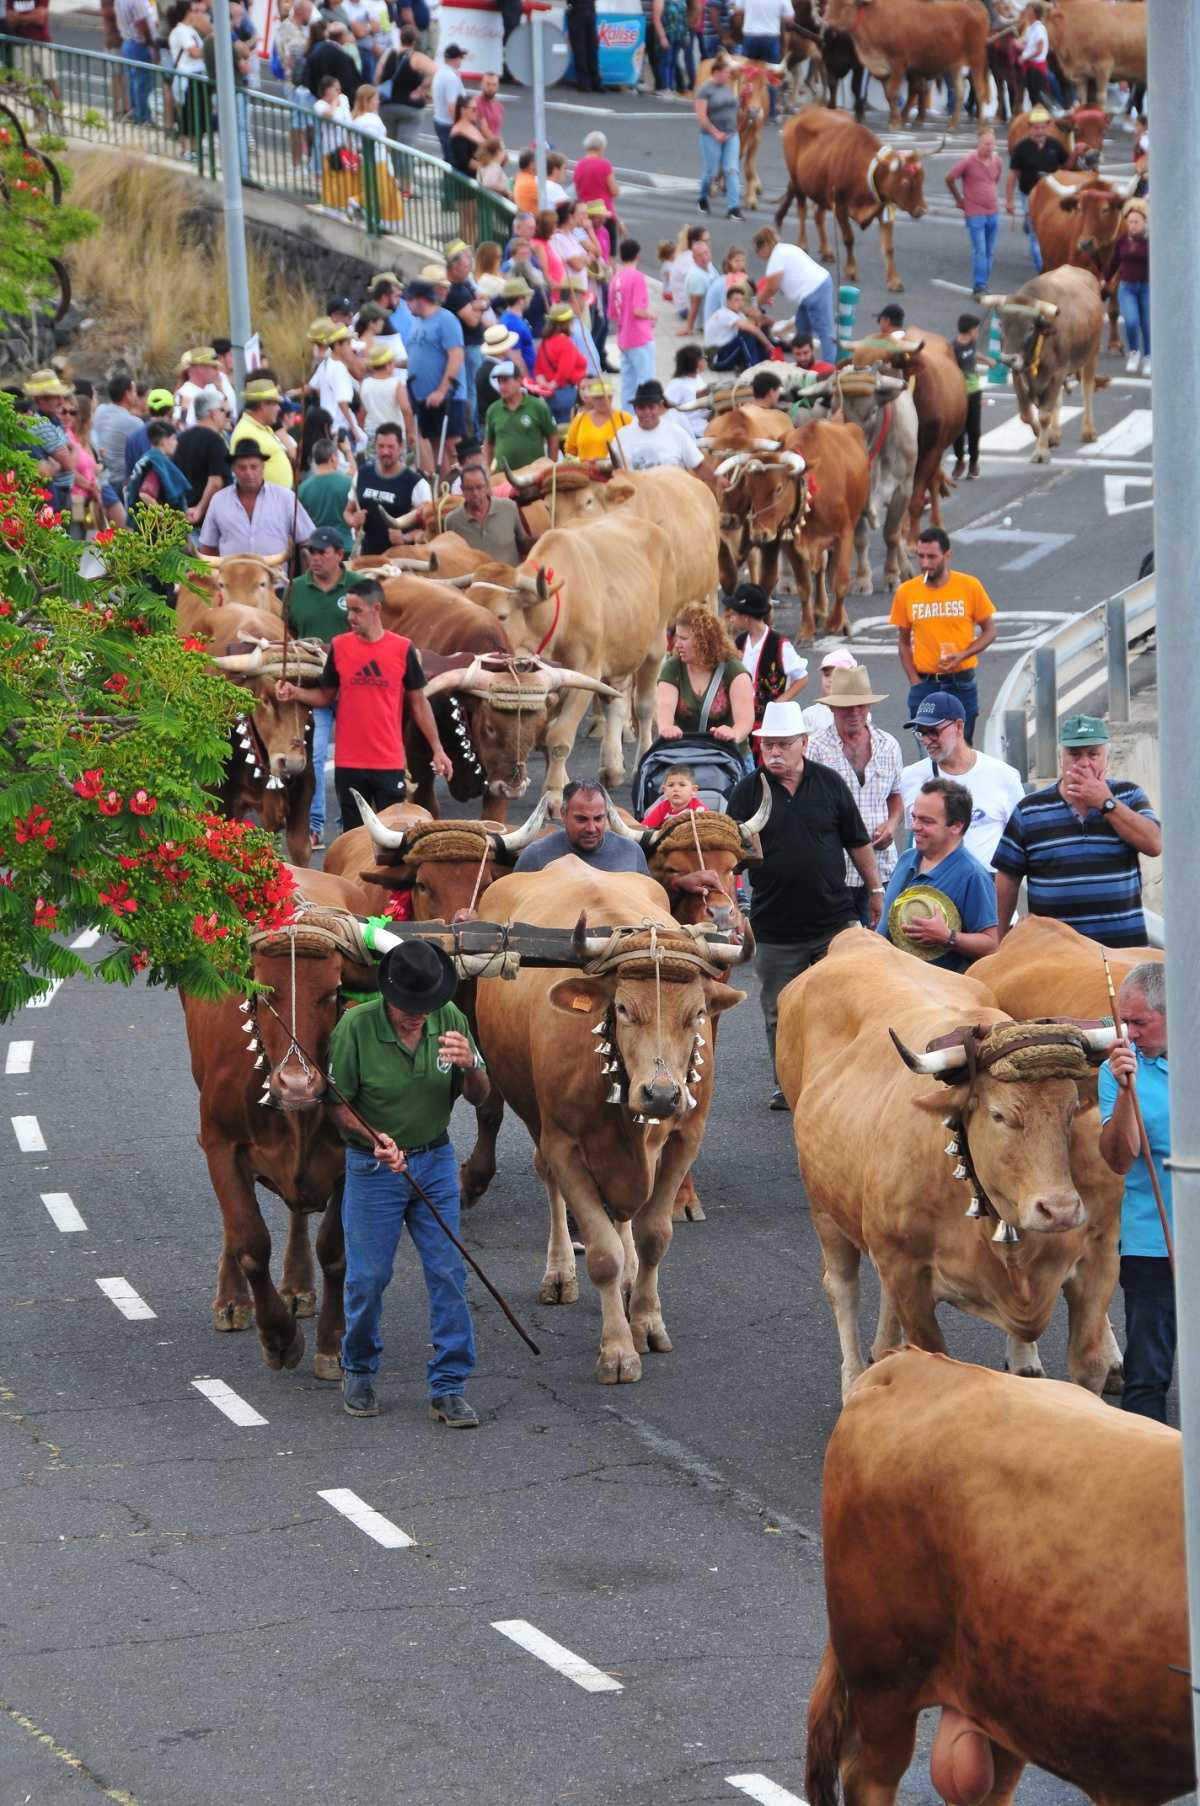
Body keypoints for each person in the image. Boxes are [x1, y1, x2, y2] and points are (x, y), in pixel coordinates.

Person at [328, 939, 488, 1425]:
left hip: (436, 1160)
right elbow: (336, 1107)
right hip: (373, 1169)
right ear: (387, 994)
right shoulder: (355, 1028)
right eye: (408, 1007)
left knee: (448, 1273)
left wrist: (473, 1065)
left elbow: (480, 1096)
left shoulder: (451, 1021)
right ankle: (357, 1367)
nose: (417, 1015)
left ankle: (449, 1385)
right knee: (368, 1278)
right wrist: (373, 1136)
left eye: (427, 1005)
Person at [727, 699, 881, 1109]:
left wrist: (877, 889)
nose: (774, 753)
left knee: (845, 1004)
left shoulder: (829, 783)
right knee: (780, 1010)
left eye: (783, 744)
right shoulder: (746, 792)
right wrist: (732, 901)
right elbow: (729, 858)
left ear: (804, 743)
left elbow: (857, 841)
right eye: (768, 746)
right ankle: (788, 1083)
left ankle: (846, 1077)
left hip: (834, 920)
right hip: (776, 926)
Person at [276, 575, 452, 831]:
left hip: (389, 762)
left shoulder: (402, 648)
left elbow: (419, 703)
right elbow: (326, 696)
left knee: (394, 838)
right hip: (349, 764)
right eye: (348, 610)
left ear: (376, 609)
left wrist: (438, 749)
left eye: (357, 610)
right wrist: (294, 692)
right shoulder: (339, 646)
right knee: (354, 837)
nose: (351, 617)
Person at [993, 714, 1162, 945]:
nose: (1084, 763)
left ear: (1106, 758)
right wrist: (1000, 938)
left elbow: (1154, 843)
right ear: (1061, 759)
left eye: (1093, 754)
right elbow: (1008, 877)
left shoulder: (1129, 795)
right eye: (1074, 754)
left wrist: (1106, 803)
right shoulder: (1029, 810)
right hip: (1056, 955)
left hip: (1121, 952)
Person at [1098, 961, 1175, 1424]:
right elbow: (1119, 1158)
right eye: (1122, 1022)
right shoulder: (1116, 1069)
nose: (1128, 1032)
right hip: (1152, 1244)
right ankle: (1144, 1484)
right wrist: (1127, 1090)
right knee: (1147, 1377)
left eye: (1139, 1022)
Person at [807, 664, 903, 924]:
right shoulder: (815, 748)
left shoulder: (889, 745)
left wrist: (892, 825)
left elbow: (896, 796)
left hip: (883, 864)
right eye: (847, 706)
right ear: (832, 708)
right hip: (836, 870)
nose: (855, 712)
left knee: (882, 943)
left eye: (861, 705)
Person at [889, 526, 997, 744]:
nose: (925, 563)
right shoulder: (907, 592)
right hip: (925, 684)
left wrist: (962, 655)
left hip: (961, 682)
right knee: (928, 753)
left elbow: (990, 631)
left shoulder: (969, 586)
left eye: (932, 557)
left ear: (947, 555)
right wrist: (914, 681)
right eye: (920, 556)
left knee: (962, 751)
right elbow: (903, 643)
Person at [877, 778, 1000, 969]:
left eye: (927, 821)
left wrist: (947, 937)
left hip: (937, 993)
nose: (915, 826)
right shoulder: (906, 859)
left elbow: (991, 945)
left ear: (956, 826)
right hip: (890, 981)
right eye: (914, 817)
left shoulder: (973, 875)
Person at [898, 694, 1025, 869]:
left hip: (985, 887)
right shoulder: (910, 777)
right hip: (931, 887)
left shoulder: (1004, 776)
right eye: (921, 733)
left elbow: (1021, 839)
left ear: (958, 726)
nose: (927, 741)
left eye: (933, 732)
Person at [285, 526, 353, 847]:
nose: (314, 558)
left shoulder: (356, 587)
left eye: (322, 552)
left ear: (340, 555)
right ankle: (314, 824)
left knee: (352, 758)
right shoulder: (295, 588)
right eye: (311, 552)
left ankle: (350, 825)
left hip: (352, 688)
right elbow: (286, 631)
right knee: (313, 755)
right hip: (313, 686)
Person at [656, 603, 755, 758]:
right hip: (685, 754)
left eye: (684, 638)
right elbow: (665, 706)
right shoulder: (672, 667)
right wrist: (667, 727)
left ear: (703, 640)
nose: (677, 644)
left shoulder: (733, 670)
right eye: (677, 637)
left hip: (728, 755)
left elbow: (745, 720)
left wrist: (734, 733)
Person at [197, 440, 316, 558]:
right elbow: (207, 547)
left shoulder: (286, 498)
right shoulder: (219, 501)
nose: (248, 473)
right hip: (232, 575)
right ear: (233, 469)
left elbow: (308, 540)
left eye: (254, 467)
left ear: (263, 467)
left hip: (274, 575)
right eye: (242, 468)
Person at [723, 583, 807, 736]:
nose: (731, 619)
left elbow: (802, 678)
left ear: (746, 617)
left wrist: (779, 702)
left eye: (734, 614)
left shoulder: (779, 644)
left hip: (769, 725)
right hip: (741, 721)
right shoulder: (740, 642)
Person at [514, 781, 650, 873]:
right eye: (581, 819)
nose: (591, 828)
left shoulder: (631, 852)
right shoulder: (535, 856)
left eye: (598, 818)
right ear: (563, 814)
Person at [404, 277, 466, 477]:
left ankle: (465, 483)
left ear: (420, 299)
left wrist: (442, 389)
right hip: (422, 397)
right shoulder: (415, 323)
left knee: (454, 446)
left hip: (448, 396)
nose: (406, 304)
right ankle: (447, 492)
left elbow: (456, 355)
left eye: (409, 300)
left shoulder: (445, 319)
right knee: (435, 445)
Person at [345, 421, 432, 556]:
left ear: (401, 447)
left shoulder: (417, 483)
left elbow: (429, 529)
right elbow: (347, 512)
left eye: (391, 447)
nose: (385, 451)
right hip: (367, 557)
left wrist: (405, 538)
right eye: (381, 446)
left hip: (402, 562)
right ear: (375, 447)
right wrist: (353, 521)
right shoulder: (362, 474)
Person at [753, 226, 835, 366]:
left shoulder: (776, 257)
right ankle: (805, 362)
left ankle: (830, 367)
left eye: (758, 251)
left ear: (765, 246)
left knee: (824, 331)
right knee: (802, 326)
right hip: (812, 289)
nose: (758, 255)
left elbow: (771, 287)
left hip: (813, 290)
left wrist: (755, 303)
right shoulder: (784, 249)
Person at [1005, 105, 1068, 272]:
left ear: (1048, 127)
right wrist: (1010, 201)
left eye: (1042, 127)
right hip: (1029, 195)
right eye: (1036, 127)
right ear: (1030, 128)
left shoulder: (1056, 146)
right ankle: (1043, 270)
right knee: (1035, 234)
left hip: (1052, 197)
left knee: (1051, 231)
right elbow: (1013, 175)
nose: (1039, 131)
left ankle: (1049, 262)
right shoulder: (1021, 148)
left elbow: (1067, 167)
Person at [615, 380, 716, 484]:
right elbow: (610, 467)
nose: (647, 412)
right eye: (641, 408)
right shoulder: (622, 435)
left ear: (659, 407)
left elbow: (698, 465)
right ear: (635, 409)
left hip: (672, 495)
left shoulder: (677, 432)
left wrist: (717, 480)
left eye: (651, 407)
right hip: (635, 496)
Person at [946, 128, 1002, 301]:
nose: (990, 147)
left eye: (992, 143)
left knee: (990, 250)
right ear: (978, 144)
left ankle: (983, 282)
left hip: (993, 210)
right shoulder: (968, 161)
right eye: (986, 144)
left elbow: (995, 180)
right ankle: (979, 285)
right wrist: (959, 199)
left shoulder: (997, 161)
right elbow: (949, 177)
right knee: (980, 249)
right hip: (975, 212)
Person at [608, 239, 657, 409]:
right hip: (639, 335)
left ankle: (627, 417)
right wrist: (652, 316)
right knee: (646, 380)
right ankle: (648, 413)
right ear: (637, 255)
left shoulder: (616, 278)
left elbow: (613, 313)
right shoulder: (637, 277)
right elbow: (638, 310)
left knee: (628, 383)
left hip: (623, 337)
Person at [21, 369, 77, 517]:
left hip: (61, 491)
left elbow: (67, 457)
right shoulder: (42, 425)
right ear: (40, 400)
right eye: (55, 397)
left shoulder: (53, 421)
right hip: (57, 492)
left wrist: (59, 459)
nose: (61, 401)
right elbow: (69, 464)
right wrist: (70, 451)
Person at [452, 461, 533, 563]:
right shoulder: (452, 522)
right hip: (477, 579)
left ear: (486, 486)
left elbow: (523, 543)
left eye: (479, 487)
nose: (475, 493)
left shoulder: (509, 508)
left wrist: (547, 540)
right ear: (462, 489)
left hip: (510, 576)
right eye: (469, 489)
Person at [172, 387, 232, 524]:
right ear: (212, 413)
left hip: (182, 515)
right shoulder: (215, 441)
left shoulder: (180, 438)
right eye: (224, 411)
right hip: (207, 519)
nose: (227, 416)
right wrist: (200, 509)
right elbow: (216, 482)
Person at [484, 365, 559, 472]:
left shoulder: (538, 406)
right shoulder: (493, 410)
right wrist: (487, 469)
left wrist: (551, 468)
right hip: (503, 477)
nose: (501, 386)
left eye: (505, 381)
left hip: (534, 475)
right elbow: (488, 443)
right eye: (499, 382)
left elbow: (553, 437)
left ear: (519, 380)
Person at [695, 57, 742, 220]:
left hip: (731, 134)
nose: (729, 76)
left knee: (732, 169)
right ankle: (702, 198)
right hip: (710, 136)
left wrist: (745, 96)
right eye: (726, 73)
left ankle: (733, 208)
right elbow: (701, 116)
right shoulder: (705, 90)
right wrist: (715, 133)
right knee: (711, 171)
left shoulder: (728, 88)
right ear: (716, 73)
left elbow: (735, 106)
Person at [231, 377, 295, 489]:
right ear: (263, 405)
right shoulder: (246, 433)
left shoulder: (262, 428)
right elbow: (245, 477)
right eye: (275, 404)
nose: (279, 409)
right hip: (265, 503)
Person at [534, 305, 590, 426]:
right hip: (566, 393)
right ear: (566, 323)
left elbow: (538, 370)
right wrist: (554, 384)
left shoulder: (544, 342)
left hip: (550, 396)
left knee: (555, 429)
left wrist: (546, 385)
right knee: (567, 431)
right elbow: (565, 371)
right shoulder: (565, 342)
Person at [125, 419, 192, 519]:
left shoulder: (147, 458)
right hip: (155, 530)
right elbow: (146, 495)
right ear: (163, 441)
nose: (176, 443)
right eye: (173, 438)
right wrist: (167, 520)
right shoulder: (155, 463)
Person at [705, 277, 775, 372]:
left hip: (726, 352)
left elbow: (757, 326)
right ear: (728, 301)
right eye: (736, 300)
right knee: (746, 334)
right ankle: (753, 367)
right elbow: (752, 329)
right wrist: (769, 345)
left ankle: (763, 360)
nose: (740, 303)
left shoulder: (737, 314)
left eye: (741, 300)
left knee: (756, 332)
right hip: (716, 359)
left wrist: (757, 315)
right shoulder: (725, 314)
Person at [90, 374, 143, 499]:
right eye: (134, 391)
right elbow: (142, 457)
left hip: (101, 477)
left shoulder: (100, 410)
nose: (136, 395)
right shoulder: (135, 423)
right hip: (120, 483)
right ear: (127, 394)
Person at [297, 437, 354, 553]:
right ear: (333, 458)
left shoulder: (303, 488)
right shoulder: (348, 483)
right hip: (344, 546)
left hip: (317, 549)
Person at [1115, 197, 1150, 376]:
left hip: (1147, 287)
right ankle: (1134, 352)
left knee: (1147, 324)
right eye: (1130, 222)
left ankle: (1149, 357)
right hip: (1127, 286)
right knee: (1131, 321)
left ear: (1145, 222)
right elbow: (1114, 262)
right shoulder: (1121, 241)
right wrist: (1103, 278)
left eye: (1137, 221)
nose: (1133, 225)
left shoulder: (1151, 242)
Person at [950, 314, 985, 481]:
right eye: (976, 329)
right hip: (959, 394)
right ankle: (959, 460)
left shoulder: (972, 342)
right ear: (970, 330)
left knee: (974, 430)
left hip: (975, 392)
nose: (978, 332)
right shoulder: (953, 347)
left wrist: (986, 359)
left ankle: (973, 462)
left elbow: (973, 354)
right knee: (958, 430)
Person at [564, 377, 632, 462]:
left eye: (605, 397)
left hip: (615, 473)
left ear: (611, 397)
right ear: (591, 398)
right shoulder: (580, 419)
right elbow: (570, 451)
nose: (601, 401)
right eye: (597, 398)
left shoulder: (625, 418)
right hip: (584, 472)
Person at [360, 344, 415, 446]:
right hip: (393, 433)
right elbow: (406, 409)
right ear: (388, 365)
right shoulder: (396, 384)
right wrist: (410, 432)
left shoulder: (365, 383)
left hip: (372, 432)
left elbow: (363, 410)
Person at [117, 0, 158, 125]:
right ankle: (143, 117)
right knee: (142, 84)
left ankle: (137, 114)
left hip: (129, 42)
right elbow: (141, 23)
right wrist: (151, 44)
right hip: (139, 44)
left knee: (134, 82)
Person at [123, 389, 178, 483]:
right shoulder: (174, 436)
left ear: (148, 408)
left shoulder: (133, 437)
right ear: (170, 410)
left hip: (137, 493)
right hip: (165, 495)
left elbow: (129, 474)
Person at [804, 647, 859, 736]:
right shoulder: (809, 715)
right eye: (827, 675)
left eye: (838, 675)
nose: (831, 680)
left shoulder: (858, 714)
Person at [430, 42, 465, 160]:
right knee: (453, 160)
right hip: (448, 124)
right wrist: (459, 125)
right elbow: (452, 105)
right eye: (461, 57)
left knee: (448, 157)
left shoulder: (440, 73)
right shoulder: (451, 77)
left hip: (439, 120)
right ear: (456, 59)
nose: (461, 61)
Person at [642, 765, 705, 830]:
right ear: (665, 791)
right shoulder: (662, 808)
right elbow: (645, 827)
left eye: (682, 785)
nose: (676, 789)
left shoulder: (698, 808)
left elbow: (707, 828)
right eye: (671, 785)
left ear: (693, 790)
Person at [665, 345, 708, 434]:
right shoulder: (677, 384)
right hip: (693, 430)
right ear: (695, 362)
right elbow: (666, 409)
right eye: (703, 358)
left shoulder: (697, 378)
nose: (705, 361)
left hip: (705, 424)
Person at [1018, 0, 1050, 107]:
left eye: (1029, 10)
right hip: (1030, 66)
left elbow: (1039, 49)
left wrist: (1025, 57)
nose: (1026, 13)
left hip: (1036, 67)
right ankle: (1036, 116)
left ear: (1034, 13)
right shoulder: (1031, 29)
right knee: (1032, 95)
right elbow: (1029, 46)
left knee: (1036, 95)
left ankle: (1041, 118)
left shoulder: (1039, 28)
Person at [565, 0, 602, 94]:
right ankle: (596, 82)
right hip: (590, 9)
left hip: (577, 10)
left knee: (580, 48)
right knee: (592, 47)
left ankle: (584, 83)